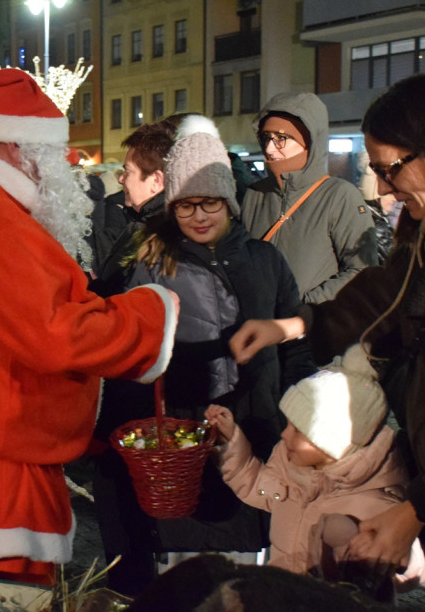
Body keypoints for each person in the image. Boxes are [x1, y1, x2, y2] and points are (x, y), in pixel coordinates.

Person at [228, 73, 425, 611]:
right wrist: (298, 325)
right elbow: (393, 288)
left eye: (389, 170)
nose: (384, 189)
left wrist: (413, 513)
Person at [0, 68, 179, 585]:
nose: (57, 173)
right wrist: (152, 314)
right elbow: (56, 330)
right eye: (51, 160)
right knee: (4, 594)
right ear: (23, 151)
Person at [92, 120, 314, 597]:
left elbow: (294, 335)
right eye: (185, 205)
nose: (197, 215)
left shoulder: (263, 259)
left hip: (255, 419)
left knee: (247, 550)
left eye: (208, 202)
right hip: (180, 428)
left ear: (228, 203)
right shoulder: (152, 260)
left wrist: (299, 408)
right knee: (184, 556)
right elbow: (125, 346)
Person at [205, 344, 425, 600]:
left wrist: (402, 560)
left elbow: (412, 572)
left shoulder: (378, 503)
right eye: (288, 424)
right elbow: (259, 486)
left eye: (299, 430)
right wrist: (232, 442)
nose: (284, 434)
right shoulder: (291, 465)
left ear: (332, 443)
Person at [240, 92, 377, 302]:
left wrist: (306, 310)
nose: (269, 149)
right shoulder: (255, 194)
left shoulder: (339, 195)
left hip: (312, 328)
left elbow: (362, 272)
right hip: (258, 326)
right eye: (267, 138)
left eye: (281, 139)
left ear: (309, 141)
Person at [89, 119, 183, 296]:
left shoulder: (163, 237)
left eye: (128, 171)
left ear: (156, 181)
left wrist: (99, 290)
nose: (121, 179)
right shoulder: (141, 222)